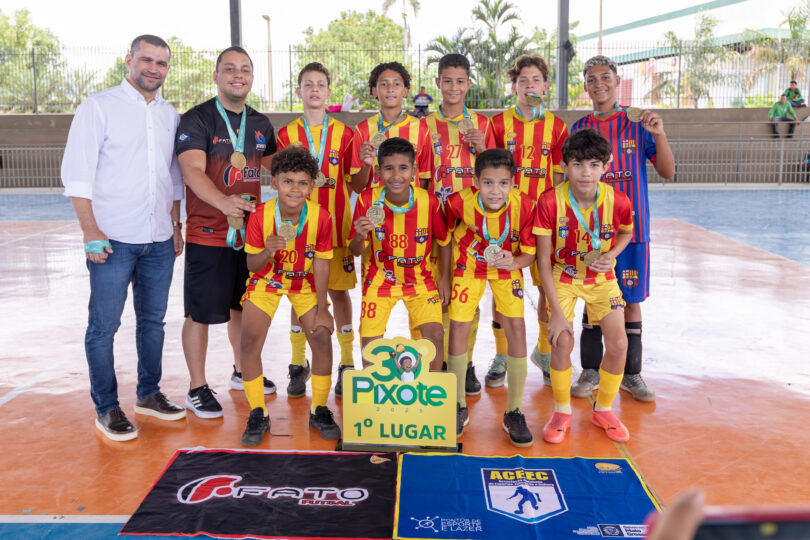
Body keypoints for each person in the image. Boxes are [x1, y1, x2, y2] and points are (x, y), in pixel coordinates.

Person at [61, 34, 186, 441]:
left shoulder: (170, 115)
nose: (153, 68)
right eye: (146, 60)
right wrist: (90, 231)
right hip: (112, 239)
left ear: (168, 68)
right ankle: (107, 407)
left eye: (161, 63)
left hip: (158, 238)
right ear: (129, 60)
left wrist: (176, 225)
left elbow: (172, 177)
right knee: (104, 326)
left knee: (153, 322)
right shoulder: (98, 108)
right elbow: (77, 174)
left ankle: (148, 394)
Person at [175, 46, 277, 418]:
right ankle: (196, 387)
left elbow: (281, 169)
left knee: (242, 306)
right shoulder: (197, 119)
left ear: (252, 78)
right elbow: (192, 172)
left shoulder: (261, 124)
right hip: (209, 233)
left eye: (245, 69)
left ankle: (241, 371)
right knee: (199, 313)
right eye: (230, 69)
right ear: (216, 76)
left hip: (249, 236)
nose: (238, 75)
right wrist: (224, 203)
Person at [570, 55, 675, 403]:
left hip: (632, 231)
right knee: (591, 299)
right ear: (585, 86)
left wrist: (659, 135)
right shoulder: (580, 127)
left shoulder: (638, 122)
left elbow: (667, 171)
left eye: (605, 77)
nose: (598, 83)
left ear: (617, 80)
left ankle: (632, 374)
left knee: (629, 302)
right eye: (591, 78)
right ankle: (590, 370)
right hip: (591, 231)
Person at [534, 129, 634, 444]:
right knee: (562, 340)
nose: (586, 172)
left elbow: (625, 233)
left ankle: (603, 409)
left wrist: (613, 254)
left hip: (602, 280)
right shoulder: (550, 200)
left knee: (619, 346)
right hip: (562, 277)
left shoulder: (618, 200)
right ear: (564, 166)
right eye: (578, 164)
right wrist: (556, 314)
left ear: (607, 166)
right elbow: (543, 260)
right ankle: (562, 412)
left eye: (593, 164)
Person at [238, 146, 339, 445]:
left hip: (303, 281)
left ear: (312, 186)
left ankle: (319, 408)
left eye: (302, 182)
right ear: (275, 183)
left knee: (321, 337)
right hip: (266, 280)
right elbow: (252, 266)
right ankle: (258, 412)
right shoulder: (259, 216)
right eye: (287, 181)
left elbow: (321, 263)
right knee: (249, 341)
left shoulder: (321, 217)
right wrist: (268, 250)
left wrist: (323, 308)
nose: (295, 188)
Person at [445, 149, 536, 447]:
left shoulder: (525, 206)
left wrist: (516, 263)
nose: (495, 191)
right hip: (468, 267)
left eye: (502, 183)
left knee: (517, 327)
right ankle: (458, 405)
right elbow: (444, 237)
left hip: (506, 267)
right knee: (458, 325)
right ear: (475, 181)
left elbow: (531, 252)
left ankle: (514, 410)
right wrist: (444, 277)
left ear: (513, 183)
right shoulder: (458, 202)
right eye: (487, 183)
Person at [276, 63, 356, 400]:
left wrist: (366, 163)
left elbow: (357, 181)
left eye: (320, 84)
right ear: (299, 92)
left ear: (328, 92)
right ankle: (298, 363)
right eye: (307, 84)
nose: (314, 90)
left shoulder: (346, 134)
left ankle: (348, 364)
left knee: (338, 293)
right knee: (299, 291)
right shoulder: (285, 135)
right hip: (300, 230)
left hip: (338, 227)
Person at [490, 54, 568, 389]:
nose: (530, 86)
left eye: (536, 80)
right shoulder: (497, 124)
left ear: (545, 85)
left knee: (548, 289)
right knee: (501, 285)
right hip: (505, 219)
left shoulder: (558, 127)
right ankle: (502, 355)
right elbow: (490, 173)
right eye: (523, 81)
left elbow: (562, 176)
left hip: (543, 222)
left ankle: (544, 351)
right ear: (514, 87)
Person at [424, 53, 496, 394]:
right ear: (438, 83)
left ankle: (465, 364)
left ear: (468, 84)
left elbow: (498, 173)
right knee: (431, 292)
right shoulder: (422, 126)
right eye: (447, 80)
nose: (453, 87)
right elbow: (419, 177)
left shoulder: (483, 124)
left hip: (472, 227)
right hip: (433, 222)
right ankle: (432, 364)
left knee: (466, 296)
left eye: (460, 81)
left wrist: (484, 149)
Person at [348, 137, 451, 372]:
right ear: (378, 171)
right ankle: (375, 393)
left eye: (403, 168)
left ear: (414, 171)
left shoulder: (430, 202)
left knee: (435, 337)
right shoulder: (367, 200)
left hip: (421, 281)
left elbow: (444, 241)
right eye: (389, 168)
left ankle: (430, 388)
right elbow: (354, 250)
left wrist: (444, 278)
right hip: (380, 281)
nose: (396, 175)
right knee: (370, 348)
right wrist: (359, 235)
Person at [350, 62, 432, 191]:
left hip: (410, 209)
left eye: (397, 83)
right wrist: (366, 166)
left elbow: (423, 180)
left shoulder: (421, 128)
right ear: (374, 91)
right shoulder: (363, 129)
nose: (390, 88)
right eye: (384, 84)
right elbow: (357, 187)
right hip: (376, 209)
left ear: (405, 91)